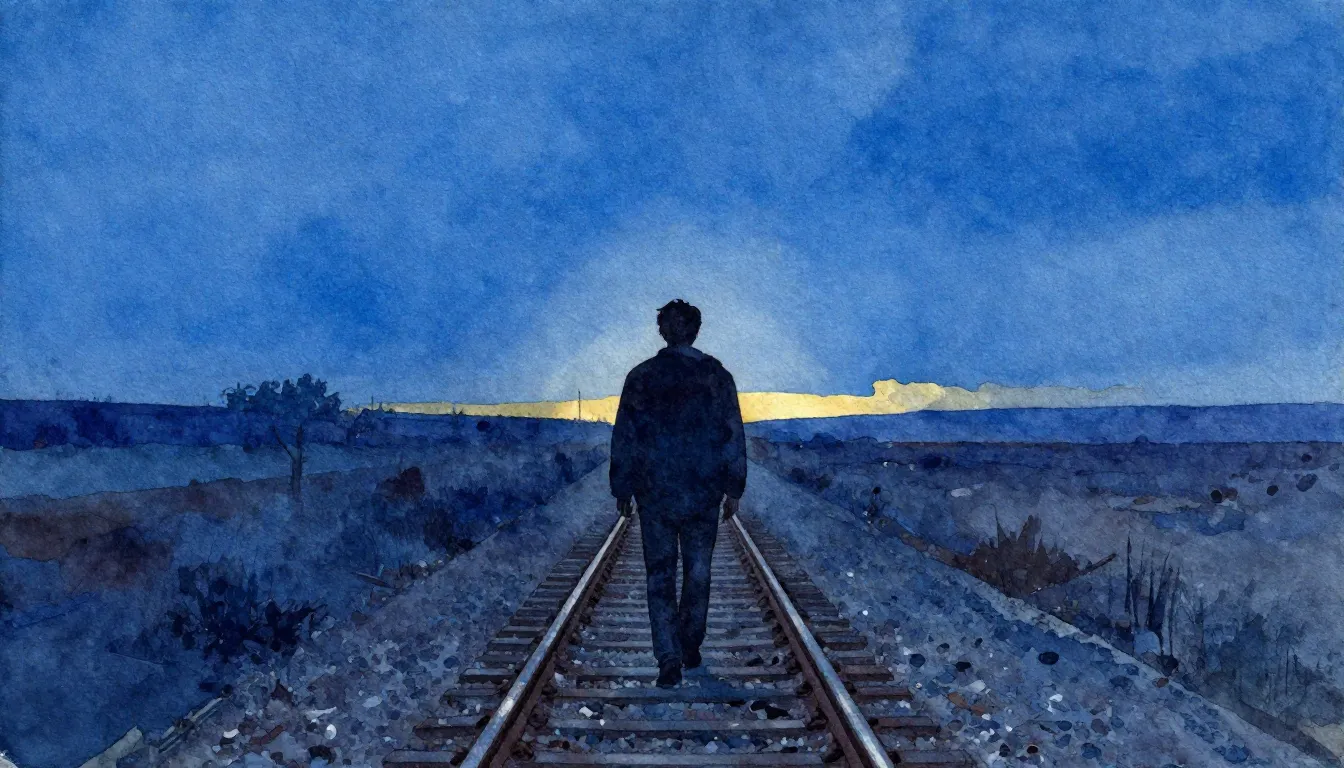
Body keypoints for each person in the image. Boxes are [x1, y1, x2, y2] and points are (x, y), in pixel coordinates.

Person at [610, 299, 748, 688]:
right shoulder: (716, 375)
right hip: (703, 491)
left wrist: (622, 487)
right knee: (698, 572)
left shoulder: (641, 376)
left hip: (655, 492)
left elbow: (625, 436)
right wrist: (734, 487)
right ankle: (689, 644)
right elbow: (733, 434)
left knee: (660, 574)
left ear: (663, 331)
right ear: (696, 330)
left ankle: (668, 655)